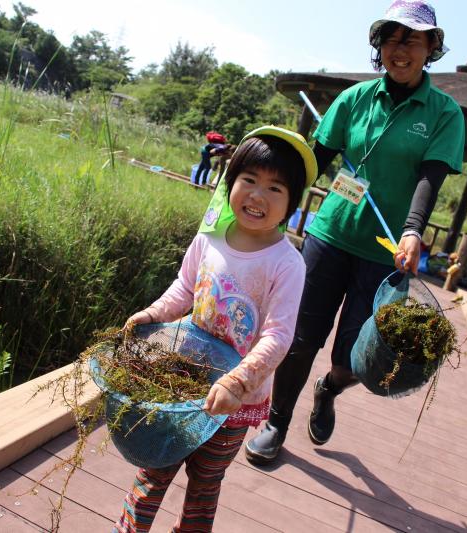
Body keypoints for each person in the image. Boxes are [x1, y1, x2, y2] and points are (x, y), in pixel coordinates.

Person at [245, 0, 465, 465]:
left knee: (357, 362)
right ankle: (276, 421)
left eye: (412, 40)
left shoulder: (445, 113)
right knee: (300, 338)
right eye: (391, 38)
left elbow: (430, 177)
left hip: (385, 253)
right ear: (379, 45)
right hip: (330, 237)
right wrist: (271, 202)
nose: (399, 49)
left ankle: (327, 390)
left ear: (431, 48)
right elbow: (317, 161)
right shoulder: (354, 100)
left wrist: (412, 231)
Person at [114, 126, 317, 532]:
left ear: (293, 202)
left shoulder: (286, 264)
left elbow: (278, 336)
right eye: (249, 180)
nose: (258, 196)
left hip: (234, 402)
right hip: (179, 383)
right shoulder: (209, 238)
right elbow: (184, 289)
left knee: (205, 483)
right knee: (153, 468)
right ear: (230, 183)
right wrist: (154, 313)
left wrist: (238, 382)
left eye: (275, 188)